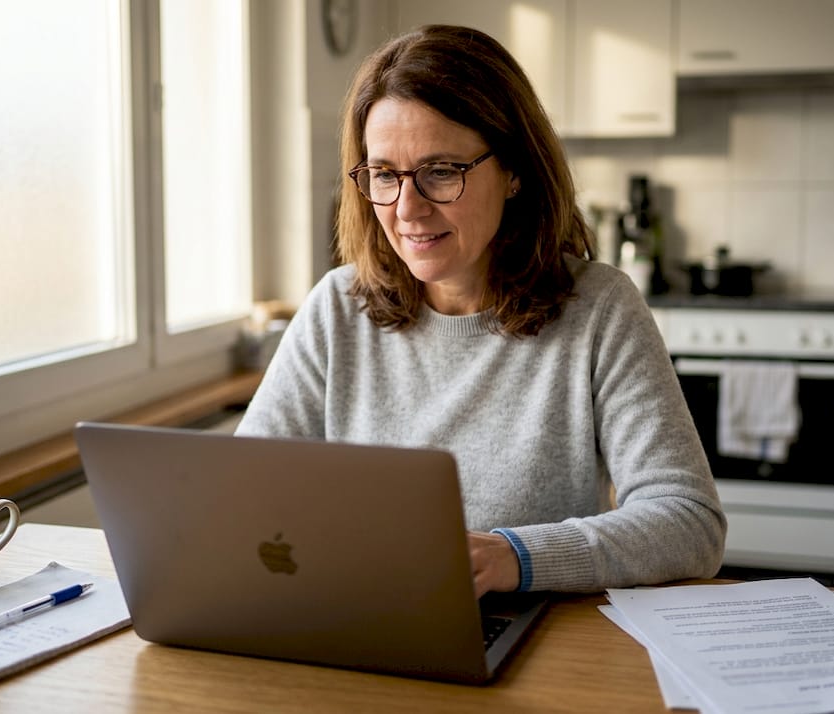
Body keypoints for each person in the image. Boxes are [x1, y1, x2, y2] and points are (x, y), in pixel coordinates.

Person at [236, 24, 725, 595]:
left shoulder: (599, 309)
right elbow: (244, 494)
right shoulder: (336, 309)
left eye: (441, 171)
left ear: (514, 170)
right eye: (385, 175)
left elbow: (690, 523)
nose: (407, 209)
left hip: (530, 642)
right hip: (362, 616)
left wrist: (516, 556)